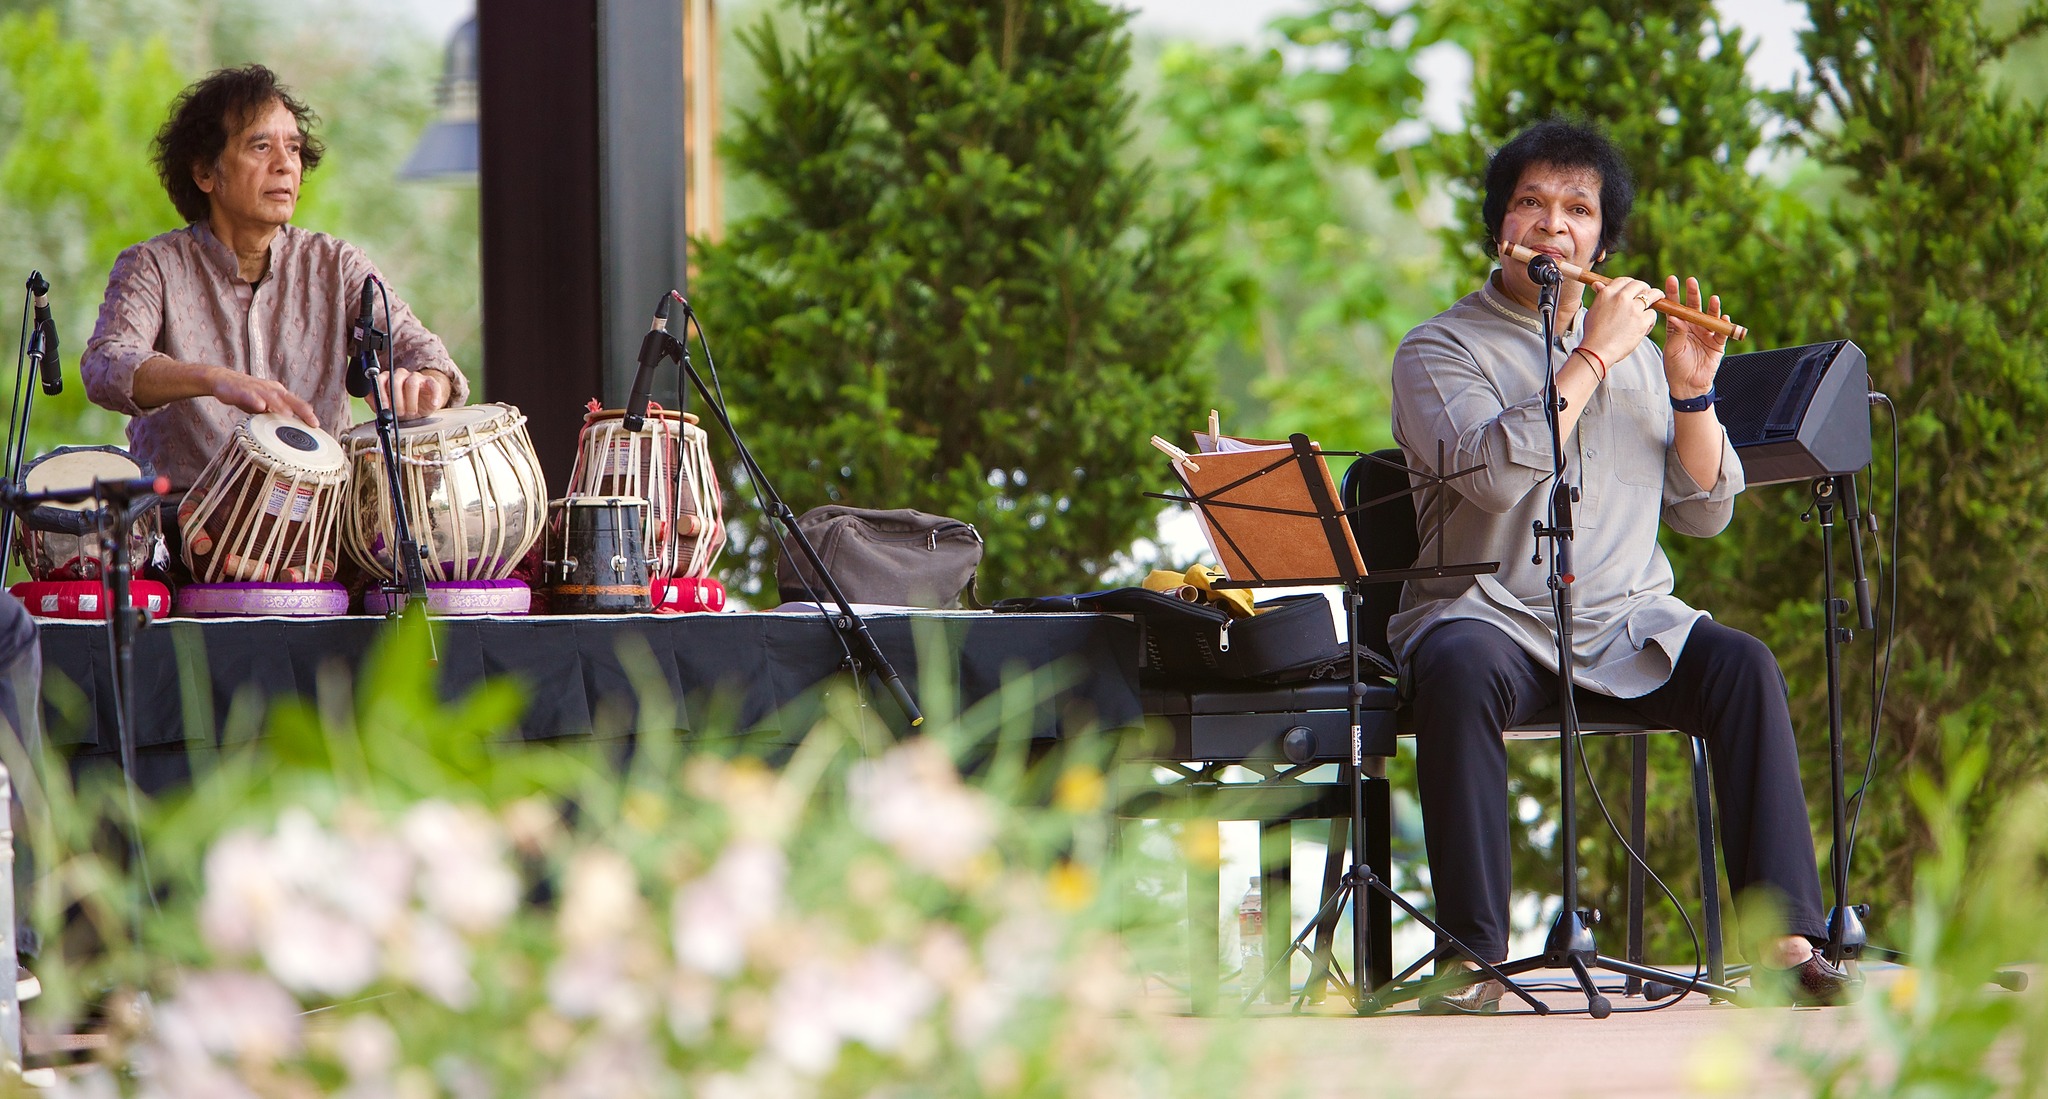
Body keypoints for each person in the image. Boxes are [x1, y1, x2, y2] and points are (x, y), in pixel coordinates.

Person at [1387, 118, 1853, 1012]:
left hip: (1624, 628)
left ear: (1604, 238)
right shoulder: (1439, 349)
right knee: (1453, 664)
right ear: (1500, 228)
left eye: (1577, 209)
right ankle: (1475, 957)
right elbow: (1487, 476)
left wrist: (1689, 389)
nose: (1554, 225)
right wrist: (1594, 354)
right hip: (1490, 621)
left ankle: (1787, 941)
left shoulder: (1644, 359)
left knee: (1743, 664)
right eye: (1531, 204)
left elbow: (1708, 508)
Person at [82, 64, 467, 502]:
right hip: (185, 531)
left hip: (319, 528)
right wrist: (215, 379)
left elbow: (427, 355)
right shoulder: (153, 265)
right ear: (205, 173)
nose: (285, 165)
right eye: (260, 146)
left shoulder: (337, 266)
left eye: (294, 149)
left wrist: (425, 385)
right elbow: (106, 366)